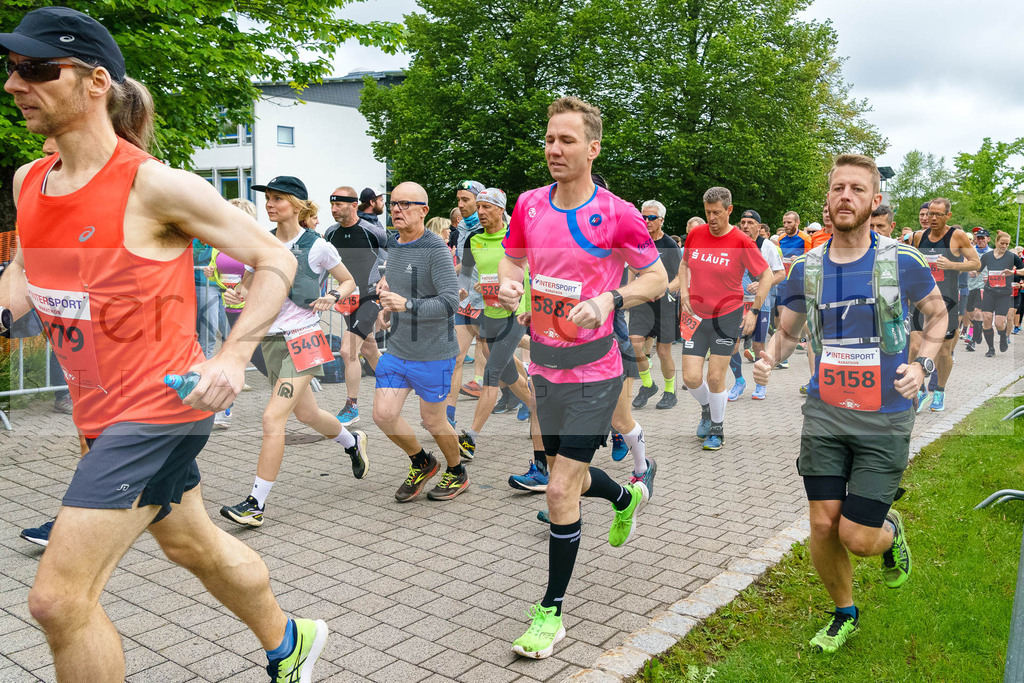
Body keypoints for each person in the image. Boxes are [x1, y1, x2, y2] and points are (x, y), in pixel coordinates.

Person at [0, 8, 330, 680]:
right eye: (12, 69)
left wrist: (234, 354)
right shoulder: (29, 181)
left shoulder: (154, 186)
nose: (14, 83)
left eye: (36, 69)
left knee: (59, 601)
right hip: (100, 414)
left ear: (96, 82)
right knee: (192, 543)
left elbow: (277, 262)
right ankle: (289, 640)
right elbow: (23, 276)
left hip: (160, 408)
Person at [754, 153, 947, 654]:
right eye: (838, 188)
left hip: (885, 416)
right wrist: (769, 359)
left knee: (858, 537)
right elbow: (789, 332)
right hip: (825, 411)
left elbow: (939, 316)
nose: (846, 196)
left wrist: (922, 365)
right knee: (822, 522)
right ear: (827, 199)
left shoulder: (902, 261)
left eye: (857, 189)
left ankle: (889, 532)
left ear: (875, 200)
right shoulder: (806, 269)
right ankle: (844, 612)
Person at [497, 96, 668, 659]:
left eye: (566, 140)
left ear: (592, 148)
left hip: (596, 370)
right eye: (549, 139)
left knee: (559, 487)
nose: (554, 149)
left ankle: (551, 612)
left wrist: (609, 298)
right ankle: (623, 497)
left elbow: (657, 277)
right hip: (546, 365)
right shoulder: (527, 205)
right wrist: (509, 285)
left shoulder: (618, 213)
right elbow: (514, 260)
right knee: (561, 472)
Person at [220, 175, 368, 527]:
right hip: (271, 342)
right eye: (268, 199)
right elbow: (248, 284)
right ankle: (352, 442)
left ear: (297, 206)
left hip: (305, 340)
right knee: (308, 415)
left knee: (273, 418)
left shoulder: (317, 246)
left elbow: (349, 282)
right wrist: (238, 294)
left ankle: (255, 503)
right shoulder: (263, 243)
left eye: (278, 199)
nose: (270, 204)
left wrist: (333, 296)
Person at [372, 181, 469, 501]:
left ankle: (456, 471)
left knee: (433, 420)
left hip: (433, 353)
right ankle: (422, 462)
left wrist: (407, 305)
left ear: (424, 210)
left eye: (405, 204)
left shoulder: (436, 249)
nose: (396, 209)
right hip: (398, 348)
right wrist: (388, 307)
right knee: (383, 415)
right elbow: (400, 285)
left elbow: (450, 303)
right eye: (393, 203)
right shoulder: (394, 244)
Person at [454, 188, 544, 474]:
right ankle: (541, 412)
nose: (480, 212)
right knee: (508, 375)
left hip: (516, 314)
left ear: (501, 210)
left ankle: (470, 438)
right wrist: (464, 290)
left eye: (487, 207)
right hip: (489, 314)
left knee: (491, 375)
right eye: (478, 206)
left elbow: (531, 271)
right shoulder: (473, 239)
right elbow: (466, 276)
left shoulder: (516, 238)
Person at [678, 187, 771, 449]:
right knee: (691, 378)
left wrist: (753, 310)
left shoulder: (742, 241)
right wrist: (684, 292)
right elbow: (684, 264)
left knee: (716, 378)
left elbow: (765, 276)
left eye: (717, 212)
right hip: (695, 317)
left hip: (726, 319)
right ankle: (707, 408)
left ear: (728, 210)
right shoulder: (696, 234)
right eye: (708, 212)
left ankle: (717, 429)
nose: (711, 218)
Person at [324, 185, 388, 426]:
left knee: (348, 350)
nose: (333, 209)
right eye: (331, 204)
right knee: (369, 349)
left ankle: (351, 406)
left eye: (338, 204)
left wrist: (386, 277)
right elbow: (324, 264)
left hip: (370, 296)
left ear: (353, 205)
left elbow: (398, 254)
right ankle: (393, 386)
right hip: (347, 298)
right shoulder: (330, 233)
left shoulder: (372, 231)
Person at [908, 199, 979, 411]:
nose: (933, 218)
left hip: (947, 301)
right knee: (914, 346)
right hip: (921, 300)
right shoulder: (919, 237)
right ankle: (919, 391)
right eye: (930, 214)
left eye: (938, 214)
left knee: (943, 352)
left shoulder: (955, 236)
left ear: (948, 215)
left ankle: (939, 390)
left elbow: (976, 262)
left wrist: (951, 265)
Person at [629, 200, 682, 410]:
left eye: (651, 217)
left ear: (661, 220)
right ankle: (648, 385)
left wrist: (664, 289)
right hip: (641, 303)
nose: (646, 221)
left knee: (663, 351)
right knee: (634, 345)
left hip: (664, 305)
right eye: (644, 217)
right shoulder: (638, 241)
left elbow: (681, 277)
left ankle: (670, 391)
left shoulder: (669, 245)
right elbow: (632, 270)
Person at [727, 209, 784, 401]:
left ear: (759, 227)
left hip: (761, 303)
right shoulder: (733, 244)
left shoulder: (767, 246)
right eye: (742, 222)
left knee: (759, 344)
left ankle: (760, 385)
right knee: (732, 345)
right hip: (735, 304)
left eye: (750, 223)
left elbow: (781, 273)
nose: (745, 226)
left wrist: (761, 283)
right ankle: (739, 381)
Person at [449, 179, 488, 411]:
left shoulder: (497, 225)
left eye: (466, 200)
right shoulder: (462, 226)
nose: (461, 205)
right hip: (464, 299)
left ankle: (526, 395)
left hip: (487, 301)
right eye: (459, 200)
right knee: (456, 357)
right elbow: (465, 264)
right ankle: (448, 415)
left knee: (494, 357)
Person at [979, 231, 1023, 356]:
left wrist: (1013, 272)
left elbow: (1023, 270)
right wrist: (973, 273)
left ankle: (1003, 336)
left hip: (1004, 293)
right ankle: (991, 348)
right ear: (996, 242)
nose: (1004, 246)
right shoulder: (987, 256)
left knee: (999, 323)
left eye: (1007, 244)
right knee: (987, 319)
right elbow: (978, 270)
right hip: (989, 291)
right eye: (1002, 243)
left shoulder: (1011, 257)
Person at [965, 228, 991, 351]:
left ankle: (972, 341)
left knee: (978, 313)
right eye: (978, 238)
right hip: (969, 286)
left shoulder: (992, 253)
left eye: (983, 238)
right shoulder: (970, 252)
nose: (980, 240)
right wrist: (967, 269)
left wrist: (990, 279)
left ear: (988, 239)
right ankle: (978, 330)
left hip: (983, 287)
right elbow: (963, 264)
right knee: (969, 313)